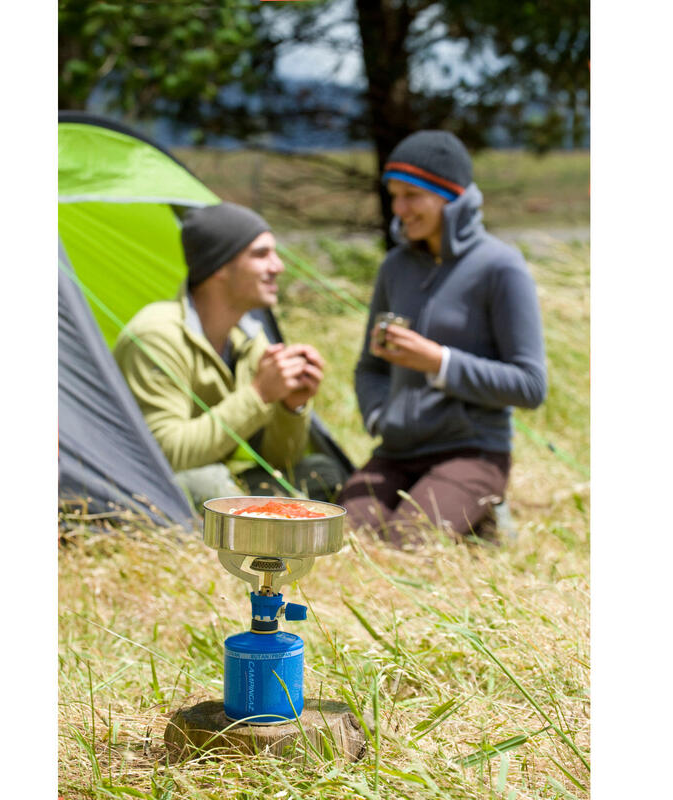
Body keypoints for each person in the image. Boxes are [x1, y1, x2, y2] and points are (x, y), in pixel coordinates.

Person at [338, 130, 547, 547]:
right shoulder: (395, 267)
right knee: (342, 543)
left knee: (407, 545)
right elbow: (370, 366)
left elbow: (530, 385)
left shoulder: (500, 268)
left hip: (472, 453)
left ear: (449, 196)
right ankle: (473, 524)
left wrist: (438, 362)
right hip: (395, 452)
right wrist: (381, 416)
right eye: (394, 196)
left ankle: (483, 517)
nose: (399, 209)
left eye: (412, 196)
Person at [114, 202, 348, 508]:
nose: (278, 266)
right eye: (262, 255)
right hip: (147, 485)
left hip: (218, 479)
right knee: (208, 483)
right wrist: (260, 393)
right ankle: (258, 516)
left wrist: (292, 406)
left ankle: (251, 514)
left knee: (324, 473)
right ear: (220, 266)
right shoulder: (157, 336)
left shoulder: (248, 338)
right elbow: (168, 454)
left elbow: (279, 462)